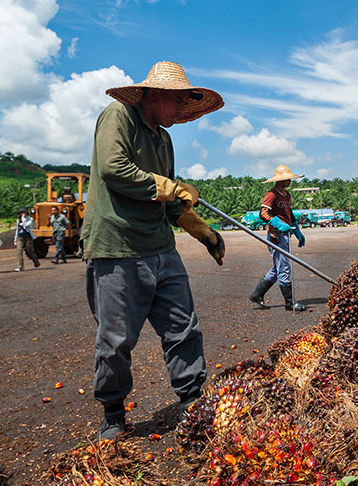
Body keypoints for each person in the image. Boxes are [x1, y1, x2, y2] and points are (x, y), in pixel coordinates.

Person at [80, 61, 225, 440]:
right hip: (117, 246)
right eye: (178, 101)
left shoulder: (164, 138)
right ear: (155, 93)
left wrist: (203, 231)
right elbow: (114, 168)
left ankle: (193, 399)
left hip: (161, 246)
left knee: (183, 328)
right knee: (115, 341)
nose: (182, 110)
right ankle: (113, 413)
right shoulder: (118, 116)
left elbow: (170, 198)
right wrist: (171, 188)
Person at [249, 164, 307, 312]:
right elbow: (263, 213)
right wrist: (278, 223)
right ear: (281, 180)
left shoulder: (287, 195)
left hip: (286, 235)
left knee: (277, 268)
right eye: (288, 178)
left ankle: (257, 294)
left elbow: (290, 214)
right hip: (276, 236)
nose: (290, 181)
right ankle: (289, 303)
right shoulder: (271, 194)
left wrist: (297, 232)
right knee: (284, 268)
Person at [13, 207, 40, 272]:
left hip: (28, 237)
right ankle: (20, 267)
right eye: (21, 213)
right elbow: (17, 229)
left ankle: (37, 263)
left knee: (30, 251)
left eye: (24, 212)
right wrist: (15, 238)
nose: (23, 214)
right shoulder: (18, 220)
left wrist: (22, 220)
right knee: (19, 252)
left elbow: (26, 225)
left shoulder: (30, 219)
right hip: (20, 237)